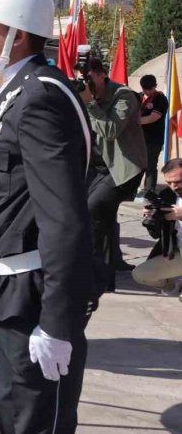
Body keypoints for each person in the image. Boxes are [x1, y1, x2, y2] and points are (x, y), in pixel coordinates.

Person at [0, 0, 95, 434]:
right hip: (8, 290)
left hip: (33, 297)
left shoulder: (40, 97)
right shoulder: (16, 94)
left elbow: (64, 217)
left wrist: (58, 323)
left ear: (18, 36)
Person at [81, 58, 147, 278]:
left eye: (88, 78)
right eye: (82, 79)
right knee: (100, 211)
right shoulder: (84, 96)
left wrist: (89, 104)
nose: (85, 83)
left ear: (101, 75)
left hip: (124, 167)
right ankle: (111, 261)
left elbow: (110, 130)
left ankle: (94, 266)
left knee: (95, 206)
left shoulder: (124, 95)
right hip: (97, 166)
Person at [132, 158, 182, 297]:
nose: (174, 186)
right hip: (177, 250)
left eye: (178, 182)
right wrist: (152, 218)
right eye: (169, 182)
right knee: (141, 274)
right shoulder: (167, 195)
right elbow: (156, 235)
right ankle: (175, 287)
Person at [139, 74, 167, 193]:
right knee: (137, 166)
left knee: (150, 165)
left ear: (155, 86)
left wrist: (133, 122)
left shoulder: (160, 99)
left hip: (153, 139)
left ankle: (149, 191)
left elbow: (153, 117)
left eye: (150, 89)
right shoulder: (138, 96)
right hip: (138, 137)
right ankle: (132, 190)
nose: (147, 91)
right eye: (145, 89)